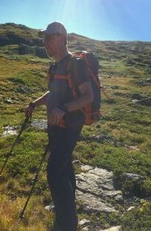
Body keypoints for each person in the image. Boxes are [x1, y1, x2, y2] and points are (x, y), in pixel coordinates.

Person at [24, 21, 95, 231]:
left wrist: (63, 108)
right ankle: (68, 213)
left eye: (48, 38)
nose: (44, 43)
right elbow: (53, 93)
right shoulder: (55, 66)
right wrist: (35, 103)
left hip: (69, 126)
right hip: (55, 126)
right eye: (44, 39)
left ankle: (66, 225)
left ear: (61, 39)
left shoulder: (76, 64)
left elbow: (88, 97)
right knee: (63, 168)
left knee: (54, 172)